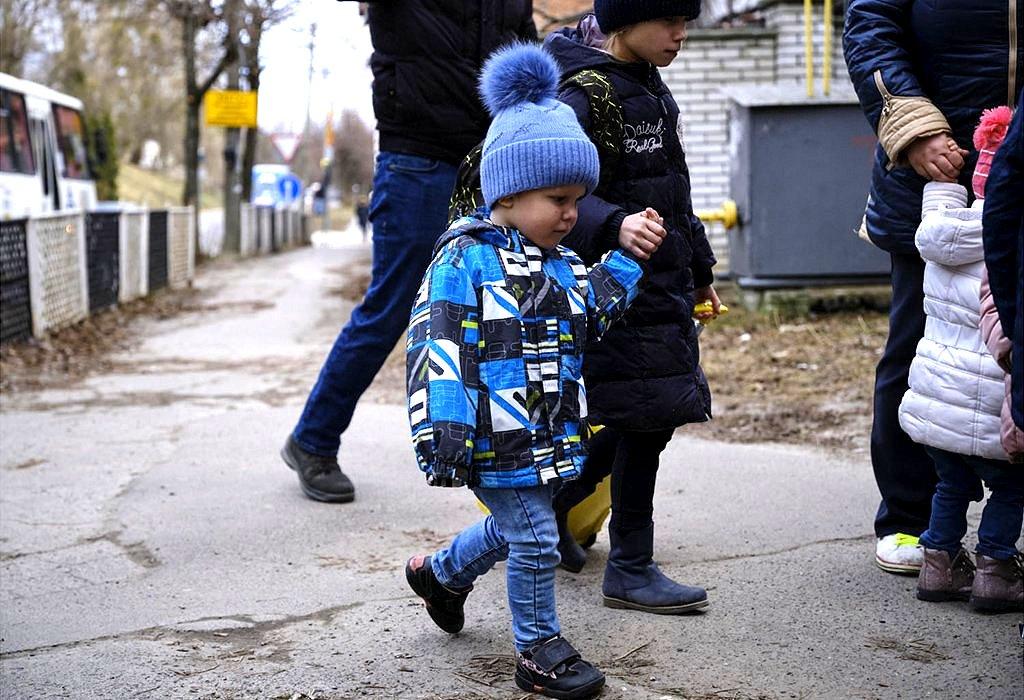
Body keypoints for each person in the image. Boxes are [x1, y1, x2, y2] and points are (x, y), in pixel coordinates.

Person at [403, 44, 663, 700]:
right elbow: (439, 349)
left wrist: (624, 265)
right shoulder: (465, 262)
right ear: (511, 191)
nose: (573, 213)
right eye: (559, 198)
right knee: (537, 536)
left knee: (519, 525)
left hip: (548, 436)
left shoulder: (560, 262)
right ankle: (539, 649)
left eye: (578, 198)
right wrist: (446, 430)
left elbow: (590, 318)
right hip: (493, 436)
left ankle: (440, 574)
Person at [281, 1, 537, 503]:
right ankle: (312, 440)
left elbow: (526, 57)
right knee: (390, 308)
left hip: (491, 162)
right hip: (417, 161)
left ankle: (522, 483)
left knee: (506, 313)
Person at [540, 1, 718, 615]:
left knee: (637, 415)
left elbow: (676, 188)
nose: (680, 34)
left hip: (662, 284)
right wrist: (611, 223)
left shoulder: (650, 87)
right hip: (614, 287)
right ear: (626, 20)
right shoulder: (584, 94)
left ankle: (558, 505)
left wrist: (700, 272)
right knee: (646, 417)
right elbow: (553, 190)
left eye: (686, 22)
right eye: (669, 20)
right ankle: (631, 566)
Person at [843, 0, 1021, 574]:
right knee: (923, 345)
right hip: (936, 173)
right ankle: (909, 517)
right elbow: (871, 26)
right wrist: (913, 128)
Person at [897, 107, 1023, 613]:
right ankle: (996, 569)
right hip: (992, 403)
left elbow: (939, 210)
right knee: (1011, 488)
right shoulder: (1008, 245)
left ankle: (939, 564)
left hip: (938, 402)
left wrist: (945, 182)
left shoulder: (938, 235)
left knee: (951, 484)